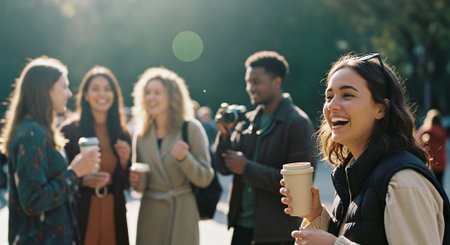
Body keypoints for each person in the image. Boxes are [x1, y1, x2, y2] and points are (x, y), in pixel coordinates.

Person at [280, 53, 450, 245]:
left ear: (381, 109)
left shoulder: (403, 182)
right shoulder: (353, 172)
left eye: (347, 95)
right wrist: (317, 214)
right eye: (329, 96)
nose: (332, 105)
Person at [215, 51, 317, 245]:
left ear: (277, 82)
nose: (250, 88)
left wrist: (247, 168)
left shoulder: (297, 123)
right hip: (241, 228)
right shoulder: (248, 120)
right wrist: (225, 135)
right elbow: (223, 167)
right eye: (248, 82)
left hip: (277, 234)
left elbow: (298, 188)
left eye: (256, 81)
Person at [0, 56, 100, 244]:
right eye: (64, 86)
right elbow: (33, 201)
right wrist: (74, 172)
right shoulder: (32, 134)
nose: (69, 93)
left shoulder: (39, 130)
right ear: (45, 90)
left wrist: (81, 177)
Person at [130, 67, 214, 245]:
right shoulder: (141, 134)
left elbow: (205, 178)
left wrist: (185, 159)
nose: (150, 98)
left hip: (182, 213)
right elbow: (139, 188)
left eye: (157, 93)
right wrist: (136, 181)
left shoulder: (191, 129)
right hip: (150, 215)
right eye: (147, 93)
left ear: (172, 97)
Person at [59, 66, 131, 245]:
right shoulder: (69, 131)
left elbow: (127, 183)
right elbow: (57, 178)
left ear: (115, 95)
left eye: (108, 89)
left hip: (113, 210)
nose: (102, 94)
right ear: (85, 95)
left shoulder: (122, 133)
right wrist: (82, 180)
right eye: (96, 88)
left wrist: (124, 162)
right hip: (82, 210)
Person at [417, 109, 448, 185]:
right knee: (440, 184)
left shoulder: (426, 131)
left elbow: (419, 142)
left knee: (430, 184)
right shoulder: (443, 131)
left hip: (430, 161)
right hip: (442, 161)